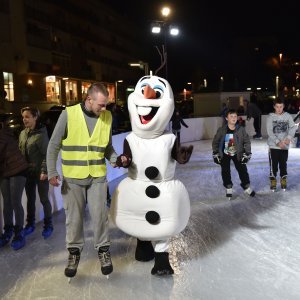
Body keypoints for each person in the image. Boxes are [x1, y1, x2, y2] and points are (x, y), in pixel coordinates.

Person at [46, 83, 128, 279]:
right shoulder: (68, 114)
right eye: (100, 104)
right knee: (74, 219)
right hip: (73, 177)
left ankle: (103, 251)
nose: (104, 108)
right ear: (88, 100)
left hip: (97, 176)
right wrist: (51, 171)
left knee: (100, 216)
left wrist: (115, 159)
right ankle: (74, 254)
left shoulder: (107, 116)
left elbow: (107, 147)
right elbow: (53, 145)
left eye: (105, 104)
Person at [19, 107, 53, 238]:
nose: (24, 119)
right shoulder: (23, 133)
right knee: (30, 199)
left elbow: (47, 155)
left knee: (44, 199)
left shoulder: (41, 134)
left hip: (40, 173)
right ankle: (30, 224)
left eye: (27, 116)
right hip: (28, 173)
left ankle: (48, 225)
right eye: (23, 117)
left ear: (35, 117)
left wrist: (44, 171)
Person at [212, 109, 255, 199]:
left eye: (235, 116)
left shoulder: (241, 129)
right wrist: (215, 153)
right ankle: (228, 187)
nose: (233, 118)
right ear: (226, 118)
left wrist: (247, 153)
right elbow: (215, 142)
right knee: (225, 171)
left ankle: (246, 186)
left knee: (243, 170)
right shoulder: (222, 130)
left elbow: (247, 141)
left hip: (238, 153)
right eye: (231, 116)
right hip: (225, 153)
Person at [0, 124, 28, 250]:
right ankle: (8, 231)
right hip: (5, 170)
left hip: (17, 169)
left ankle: (19, 233)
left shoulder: (2, 135)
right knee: (7, 202)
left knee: (15, 201)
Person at [266, 98, 296, 191]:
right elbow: (270, 131)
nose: (279, 109)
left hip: (284, 146)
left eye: (281, 107)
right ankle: (273, 181)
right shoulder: (270, 117)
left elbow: (292, 127)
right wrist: (277, 142)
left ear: (283, 106)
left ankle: (283, 180)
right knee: (273, 165)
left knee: (283, 164)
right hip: (274, 146)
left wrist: (288, 138)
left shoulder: (288, 116)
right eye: (277, 107)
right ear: (274, 107)